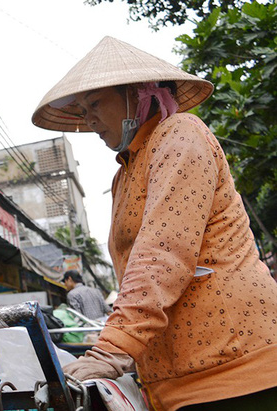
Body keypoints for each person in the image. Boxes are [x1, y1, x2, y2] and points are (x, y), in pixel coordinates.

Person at [32, 36, 277, 410]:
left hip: (236, 369)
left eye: (96, 103)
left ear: (138, 93)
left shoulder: (181, 133)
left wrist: (111, 350)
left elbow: (163, 254)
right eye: (82, 110)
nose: (89, 119)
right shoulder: (124, 173)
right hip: (172, 381)